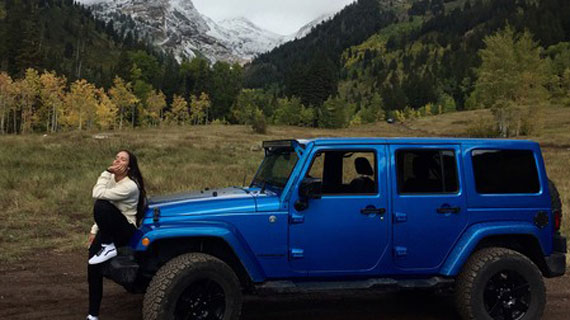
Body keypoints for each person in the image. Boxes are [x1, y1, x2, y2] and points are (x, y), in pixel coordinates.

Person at [86, 150, 147, 320]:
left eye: (123, 159)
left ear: (128, 167)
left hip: (126, 228)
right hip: (110, 227)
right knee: (92, 265)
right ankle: (93, 315)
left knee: (100, 205)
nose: (118, 161)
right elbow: (108, 211)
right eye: (117, 158)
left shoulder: (130, 185)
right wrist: (94, 231)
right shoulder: (113, 180)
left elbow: (97, 194)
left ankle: (108, 246)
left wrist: (106, 172)